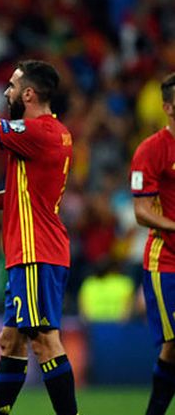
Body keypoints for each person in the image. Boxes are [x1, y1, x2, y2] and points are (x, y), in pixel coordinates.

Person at [0, 43, 78, 415]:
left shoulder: (37, 131)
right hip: (30, 251)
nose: (5, 92)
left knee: (43, 340)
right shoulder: (52, 133)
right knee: (10, 340)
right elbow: (28, 194)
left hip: (38, 252)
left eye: (11, 86)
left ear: (29, 94)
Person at [131, 72, 175, 415]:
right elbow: (142, 212)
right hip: (167, 259)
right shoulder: (151, 150)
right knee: (174, 344)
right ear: (167, 107)